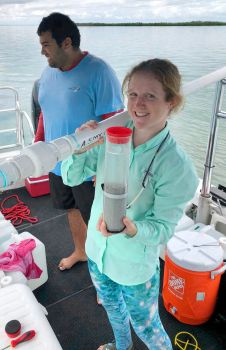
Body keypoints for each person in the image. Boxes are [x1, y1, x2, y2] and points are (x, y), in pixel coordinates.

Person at [61, 58, 199, 350]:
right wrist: (80, 145)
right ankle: (122, 347)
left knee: (147, 327)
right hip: (97, 252)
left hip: (134, 268)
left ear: (171, 102)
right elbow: (72, 177)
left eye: (150, 95)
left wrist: (131, 229)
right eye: (133, 94)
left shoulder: (177, 167)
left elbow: (162, 230)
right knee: (113, 311)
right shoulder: (112, 134)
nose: (138, 104)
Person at [36, 12, 124, 271]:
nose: (42, 51)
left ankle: (105, 275)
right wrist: (39, 143)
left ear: (66, 43)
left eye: (46, 45)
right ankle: (81, 252)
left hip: (89, 168)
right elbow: (45, 110)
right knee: (71, 209)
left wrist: (106, 168)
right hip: (58, 162)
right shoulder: (48, 71)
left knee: (98, 221)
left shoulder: (99, 71)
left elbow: (115, 121)